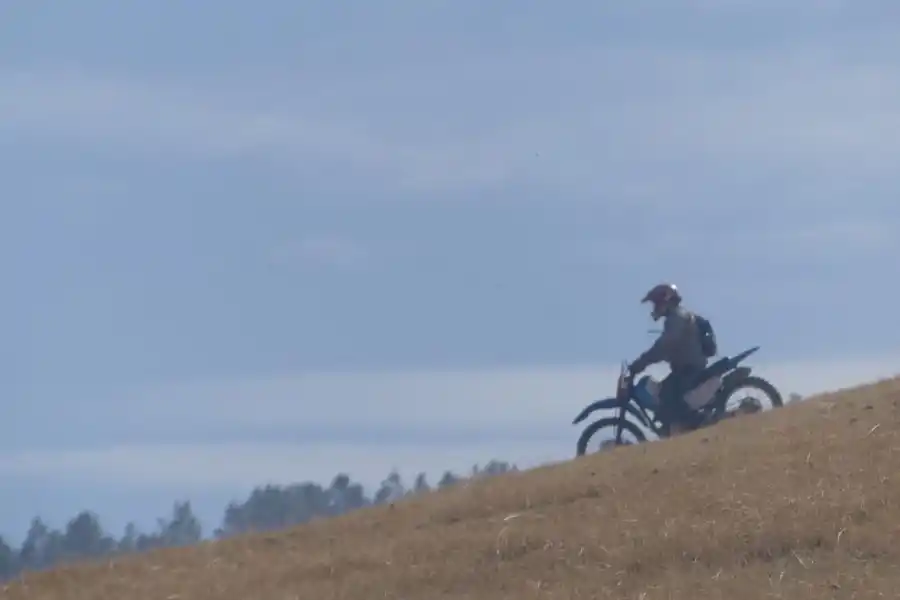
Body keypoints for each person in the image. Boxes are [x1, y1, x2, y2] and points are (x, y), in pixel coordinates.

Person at [627, 282, 708, 435]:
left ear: (666, 301)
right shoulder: (676, 316)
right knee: (665, 393)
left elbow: (664, 346)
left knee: (669, 397)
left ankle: (688, 427)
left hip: (689, 368)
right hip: (685, 367)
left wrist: (640, 364)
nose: (655, 308)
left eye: (656, 303)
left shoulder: (676, 318)